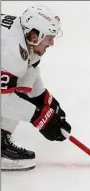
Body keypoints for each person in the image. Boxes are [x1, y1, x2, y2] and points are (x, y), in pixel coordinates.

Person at [1, 5, 72, 172]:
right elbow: (3, 102)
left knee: (21, 85)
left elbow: (29, 73)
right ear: (35, 36)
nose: (52, 43)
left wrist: (46, 101)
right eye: (49, 37)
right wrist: (40, 117)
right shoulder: (11, 52)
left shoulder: (22, 37)